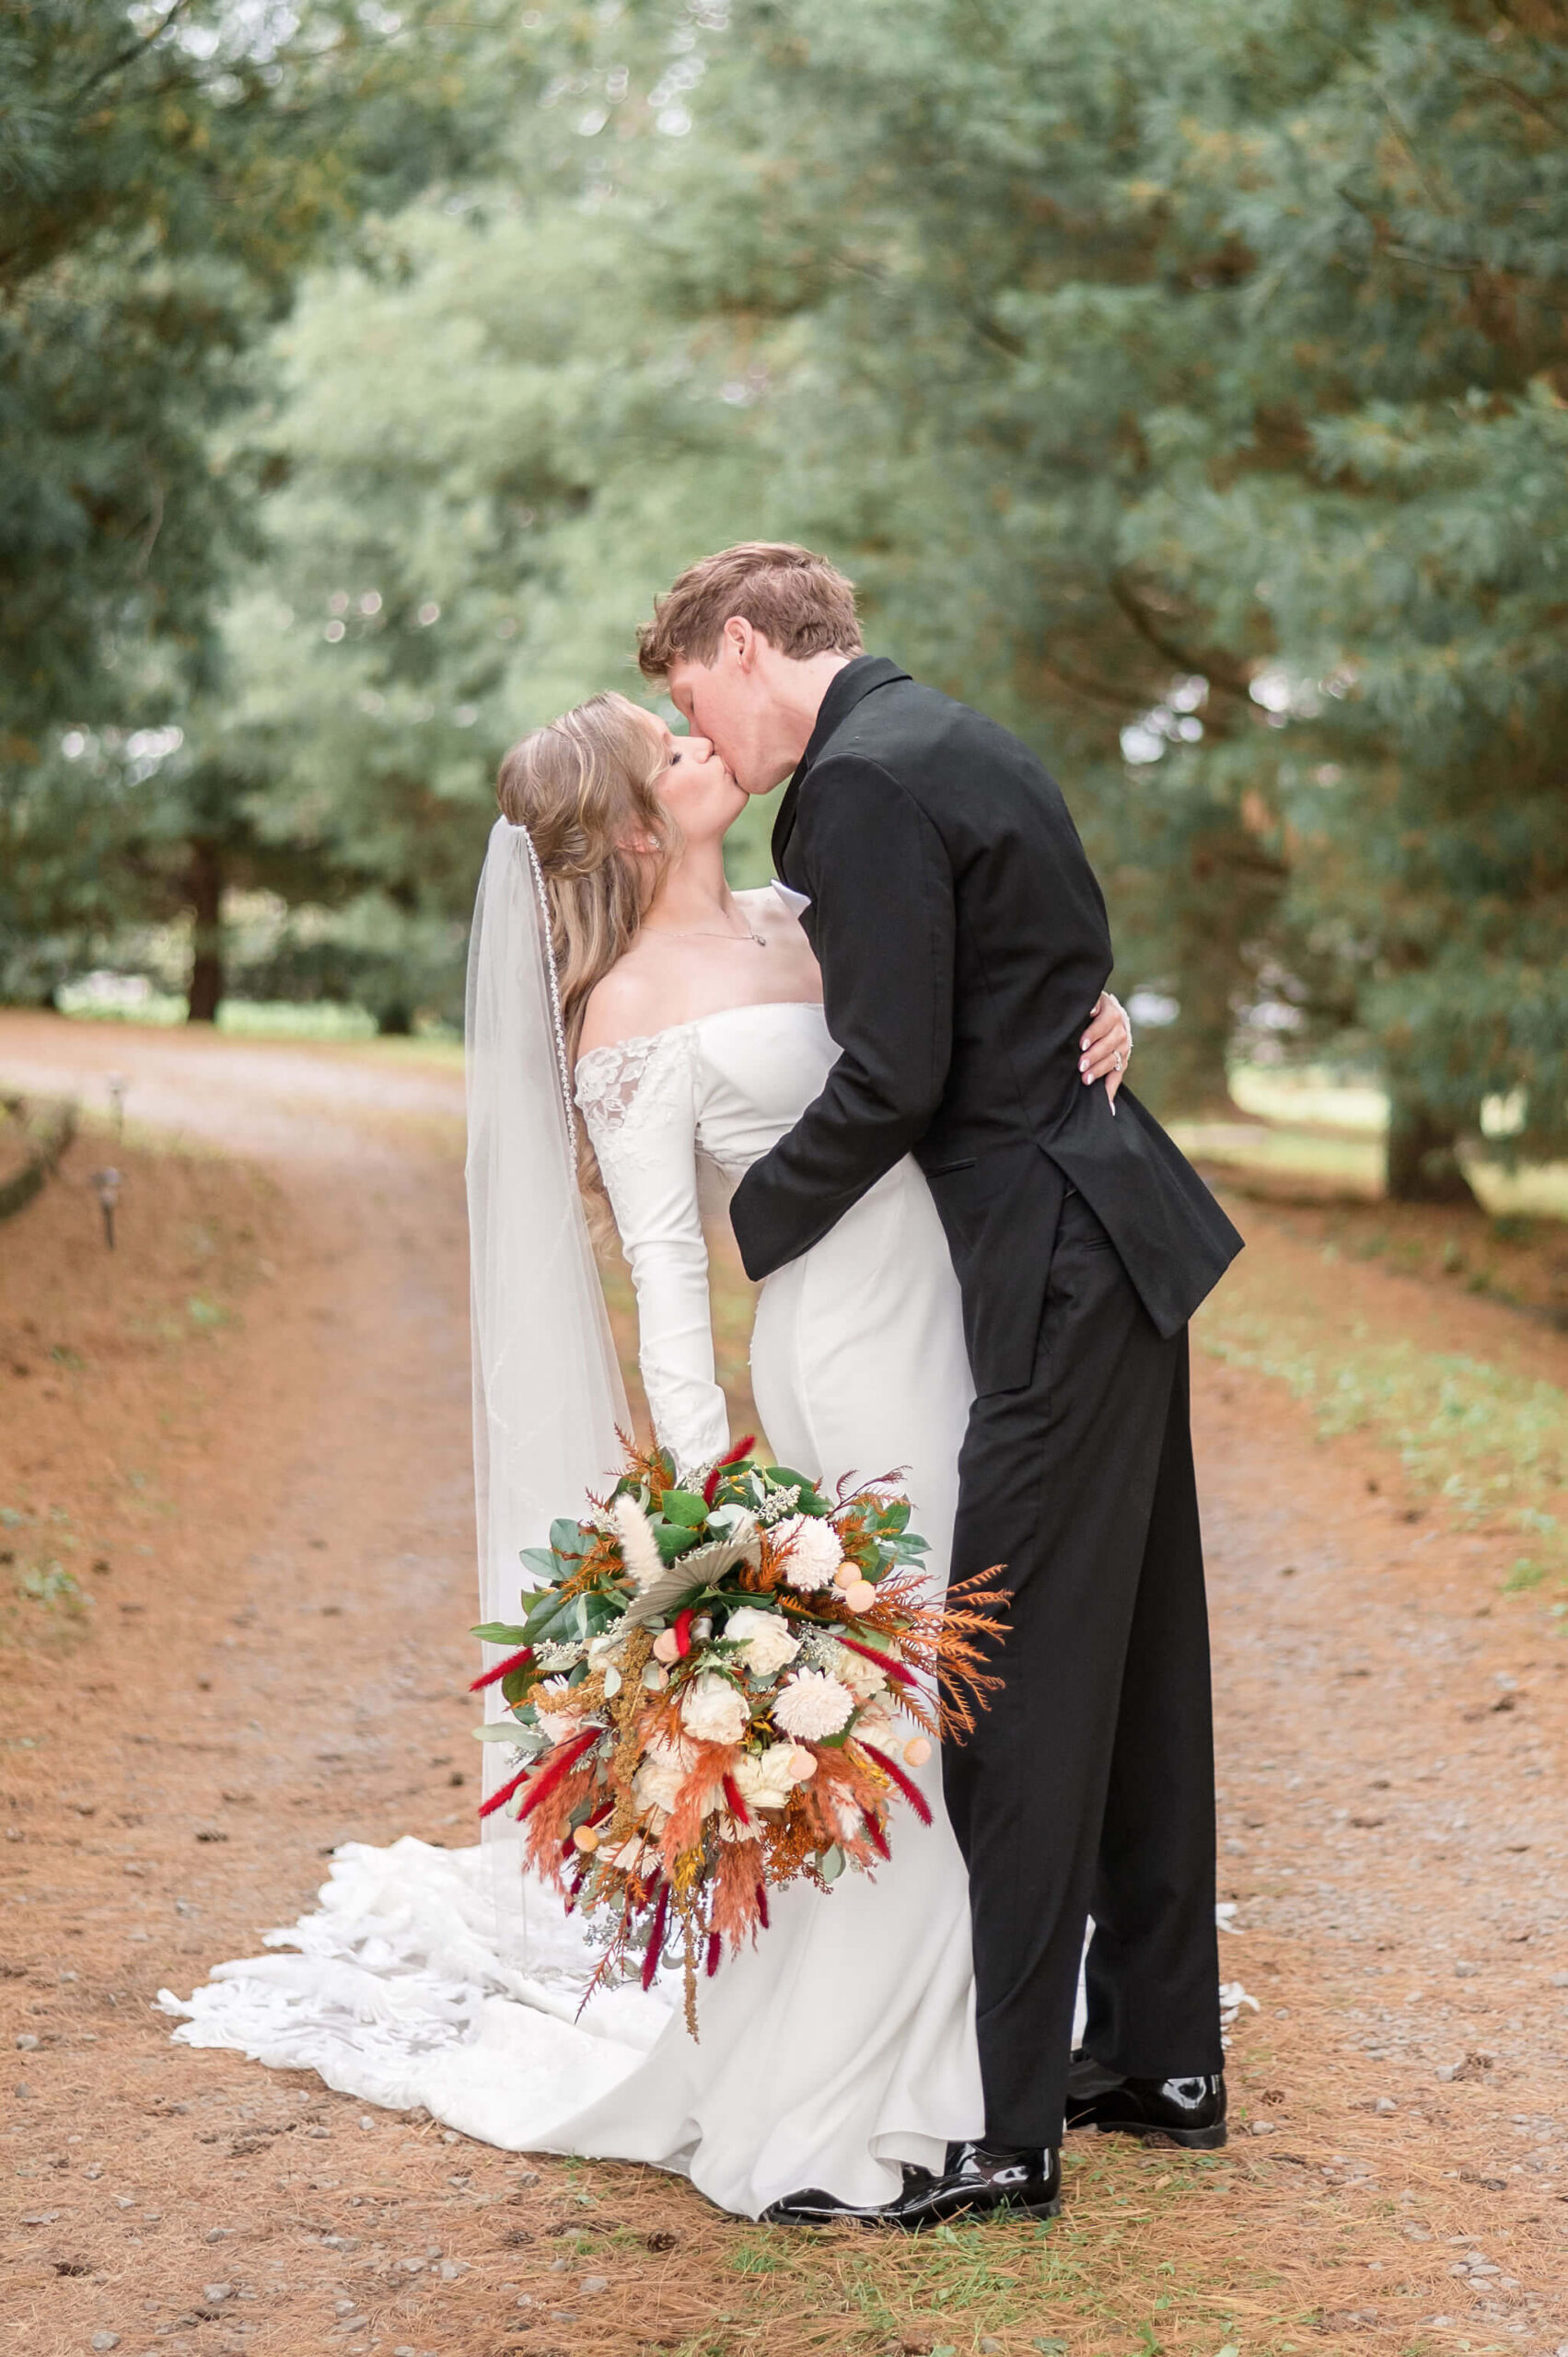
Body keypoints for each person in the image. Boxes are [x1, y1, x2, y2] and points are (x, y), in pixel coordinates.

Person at [162, 680, 1133, 2223]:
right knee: (898, 1705)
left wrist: (1099, 1013)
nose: (704, 747)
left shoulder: (804, 909)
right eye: (664, 748)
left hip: (973, 1313)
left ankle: (989, 2035)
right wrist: (722, 1517)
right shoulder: (623, 1012)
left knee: (986, 1692)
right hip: (847, 1361)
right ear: (629, 821)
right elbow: (668, 1285)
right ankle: (870, 2084)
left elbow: (955, 1026)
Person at [639, 542, 1243, 2226]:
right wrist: (1092, 1015)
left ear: (745, 646)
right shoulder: (959, 741)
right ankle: (1158, 2057)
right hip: (1116, 1225)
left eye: (695, 696)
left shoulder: (851, 790)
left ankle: (1011, 2130)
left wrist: (756, 1218)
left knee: (1015, 1672)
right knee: (1134, 1656)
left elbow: (895, 1071)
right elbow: (1038, 974)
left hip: (1053, 1251)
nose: (709, 738)